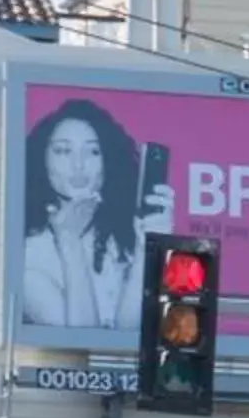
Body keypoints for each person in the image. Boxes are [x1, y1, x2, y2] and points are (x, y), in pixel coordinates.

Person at [20, 99, 157, 331]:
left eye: (93, 151)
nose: (78, 164)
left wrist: (147, 247)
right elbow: (80, 341)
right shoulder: (26, 253)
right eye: (63, 151)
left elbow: (130, 337)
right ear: (42, 159)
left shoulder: (122, 237)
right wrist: (69, 242)